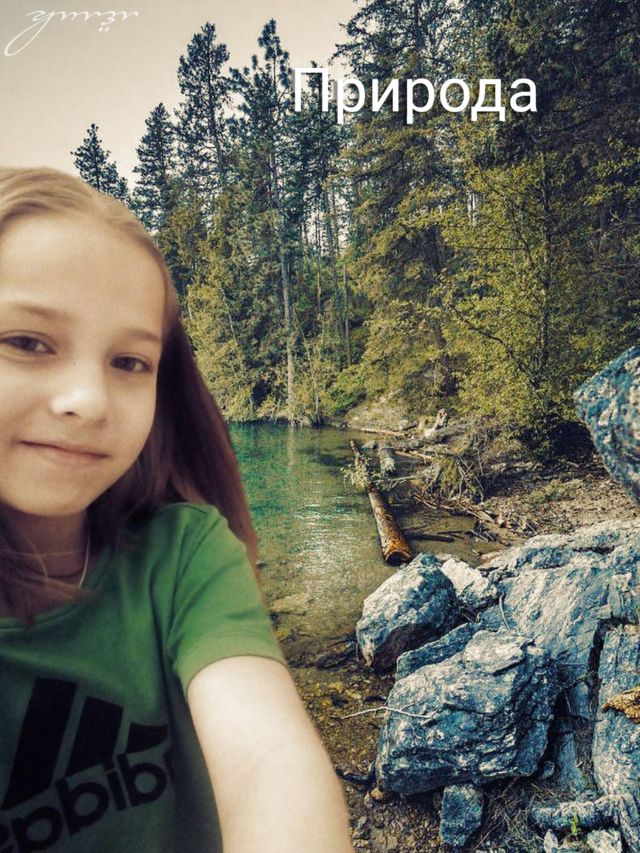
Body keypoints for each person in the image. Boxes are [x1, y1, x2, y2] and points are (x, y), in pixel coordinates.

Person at [0, 166, 355, 852]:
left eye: (129, 361)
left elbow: (268, 763)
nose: (89, 400)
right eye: (27, 342)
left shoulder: (183, 554)